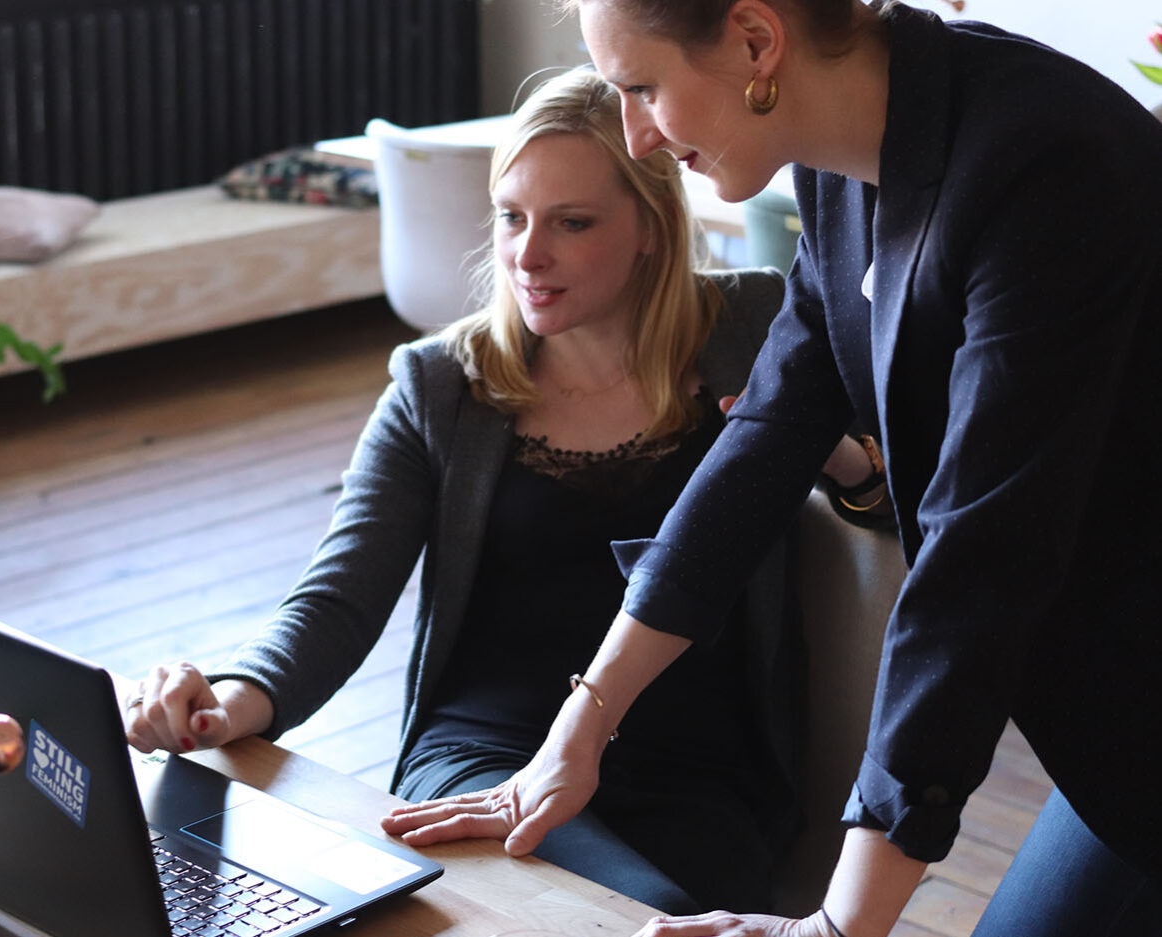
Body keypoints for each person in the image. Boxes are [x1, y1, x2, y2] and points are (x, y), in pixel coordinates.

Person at [382, 2, 1162, 936]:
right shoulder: (846, 166)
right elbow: (764, 436)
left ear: (756, 41)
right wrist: (577, 731)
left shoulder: (1043, 158)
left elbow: (980, 558)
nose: (635, 134)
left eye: (642, 88)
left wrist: (837, 925)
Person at [124, 66, 881, 914]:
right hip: (483, 757)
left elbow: (900, 509)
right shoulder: (440, 385)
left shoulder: (755, 326)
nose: (527, 254)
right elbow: (338, 597)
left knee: (648, 911)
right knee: (617, 914)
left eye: (571, 222)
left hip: (700, 770)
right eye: (511, 216)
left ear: (650, 225)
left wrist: (838, 459)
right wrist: (228, 700)